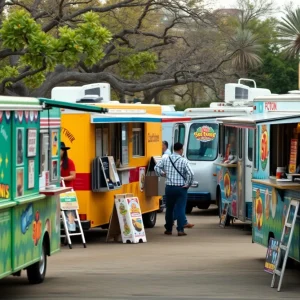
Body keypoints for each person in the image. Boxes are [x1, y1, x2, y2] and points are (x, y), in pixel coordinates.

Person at [155, 142, 194, 236]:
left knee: (169, 208)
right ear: (181, 149)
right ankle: (180, 230)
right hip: (181, 188)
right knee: (181, 208)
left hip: (169, 187)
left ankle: (168, 229)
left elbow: (156, 167)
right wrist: (188, 184)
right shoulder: (184, 161)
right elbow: (191, 174)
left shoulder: (166, 159)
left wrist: (162, 174)